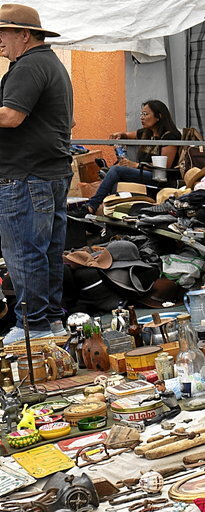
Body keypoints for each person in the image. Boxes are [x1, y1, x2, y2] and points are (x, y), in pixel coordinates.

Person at [0, 4, 73, 344]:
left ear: (24, 34)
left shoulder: (29, 65)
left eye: (3, 33)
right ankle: (51, 321)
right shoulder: (51, 63)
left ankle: (34, 325)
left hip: (26, 176)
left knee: (25, 253)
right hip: (48, 174)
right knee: (46, 253)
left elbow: (11, 116)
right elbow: (70, 120)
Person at [83, 99, 182, 212]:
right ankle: (112, 211)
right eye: (141, 114)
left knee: (116, 170)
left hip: (160, 178)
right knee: (111, 176)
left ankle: (91, 206)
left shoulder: (170, 136)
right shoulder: (146, 133)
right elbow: (128, 135)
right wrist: (120, 135)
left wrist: (135, 165)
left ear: (158, 116)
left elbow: (164, 167)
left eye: (146, 114)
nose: (142, 118)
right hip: (144, 172)